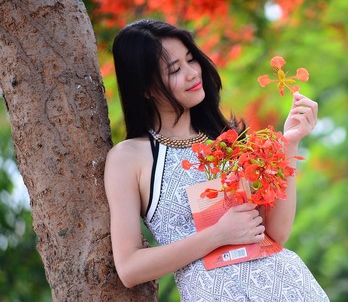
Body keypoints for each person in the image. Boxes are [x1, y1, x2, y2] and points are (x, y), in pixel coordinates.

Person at [104, 19, 329, 301]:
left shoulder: (228, 141)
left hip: (289, 287)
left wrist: (290, 142)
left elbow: (275, 234)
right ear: (145, 87)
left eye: (190, 60)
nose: (192, 73)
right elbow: (129, 268)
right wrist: (217, 235)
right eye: (175, 69)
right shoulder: (128, 158)